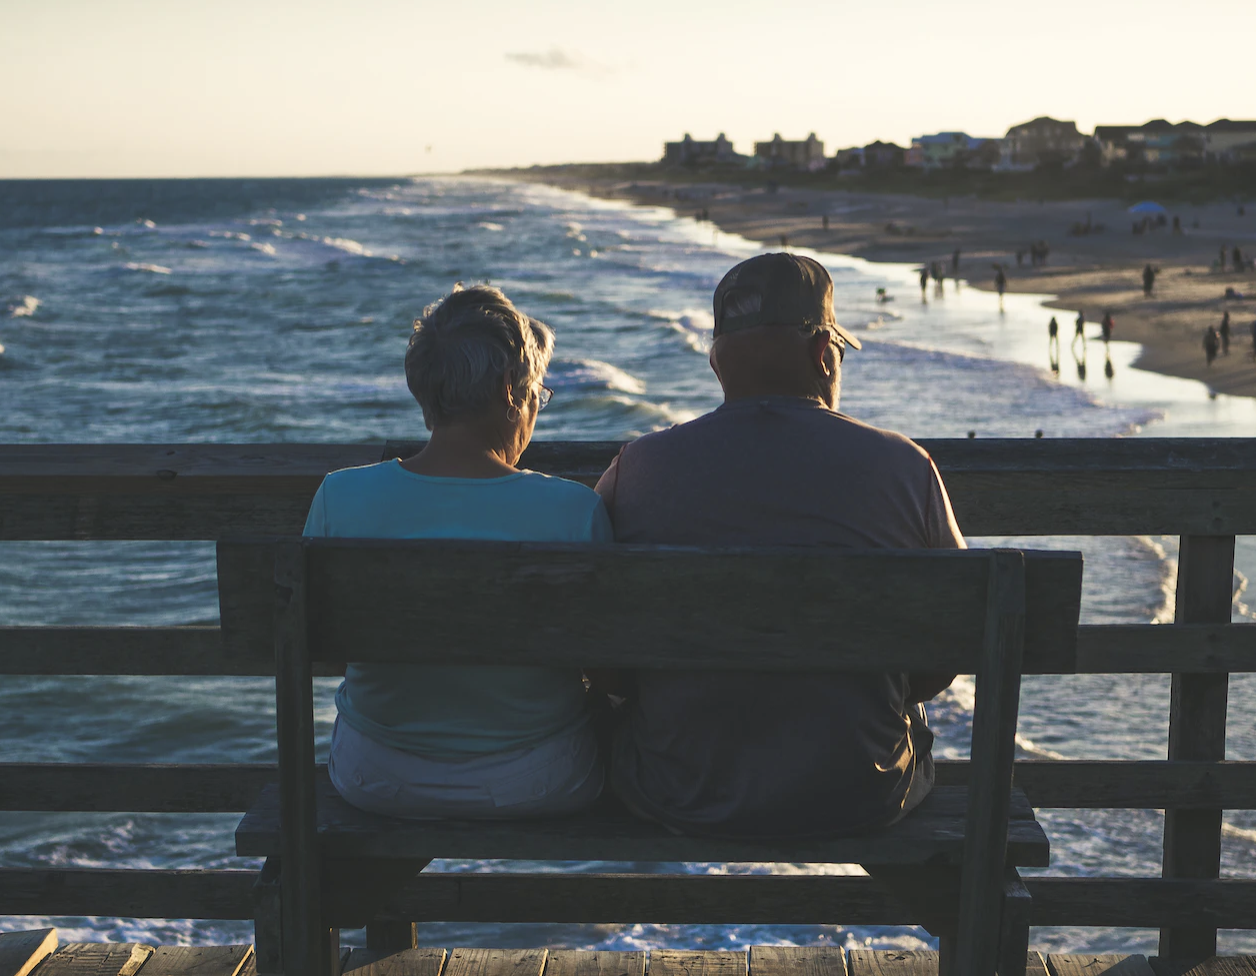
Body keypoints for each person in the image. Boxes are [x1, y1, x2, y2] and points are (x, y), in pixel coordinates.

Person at [593, 253, 965, 838]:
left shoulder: (636, 468)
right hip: (860, 793)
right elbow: (956, 635)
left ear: (717, 364)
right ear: (824, 356)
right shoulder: (904, 466)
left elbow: (596, 646)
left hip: (679, 789)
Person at [305, 284, 610, 820]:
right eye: (537, 392)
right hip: (538, 779)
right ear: (510, 392)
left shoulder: (339, 495)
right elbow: (609, 666)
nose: (536, 408)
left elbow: (322, 647)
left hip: (374, 776)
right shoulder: (572, 510)